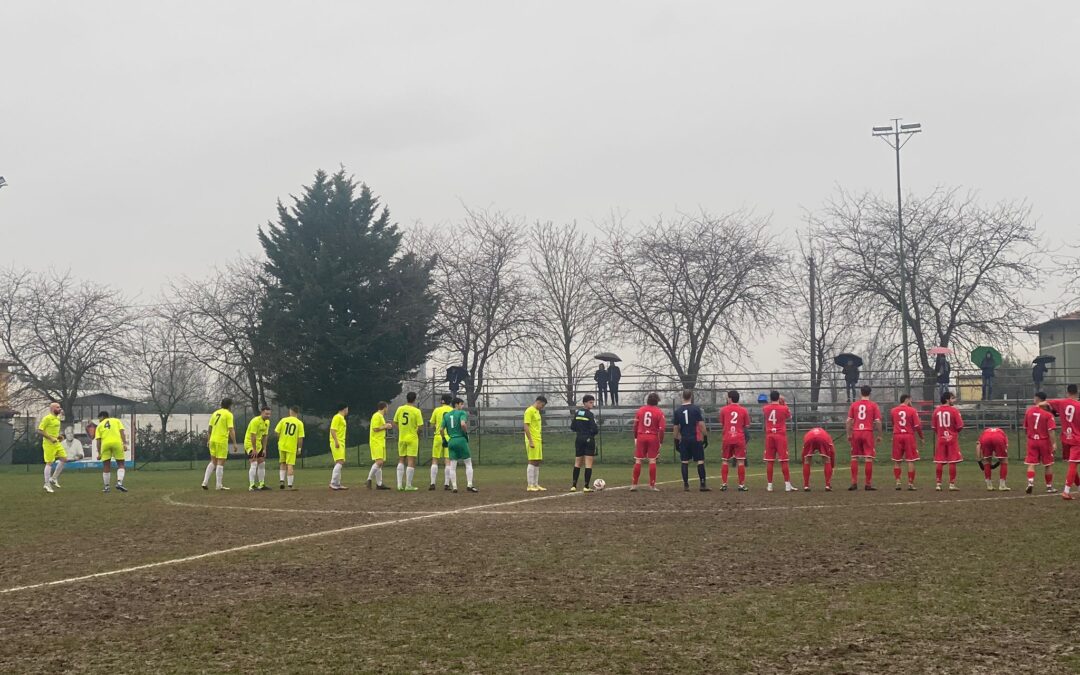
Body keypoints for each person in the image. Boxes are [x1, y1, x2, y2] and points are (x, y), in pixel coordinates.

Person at [846, 385, 882, 491]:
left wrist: (849, 434)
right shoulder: (873, 405)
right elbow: (878, 422)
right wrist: (879, 435)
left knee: (854, 457)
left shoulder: (854, 404)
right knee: (868, 458)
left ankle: (853, 483)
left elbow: (848, 421)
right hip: (867, 432)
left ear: (860, 393)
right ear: (870, 393)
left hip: (856, 432)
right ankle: (868, 484)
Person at [673, 389, 709, 492]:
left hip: (684, 439)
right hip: (696, 438)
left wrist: (676, 440)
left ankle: (686, 485)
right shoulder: (696, 409)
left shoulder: (678, 411)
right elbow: (701, 425)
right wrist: (705, 437)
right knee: (700, 460)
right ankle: (702, 484)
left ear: (682, 397)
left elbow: (676, 427)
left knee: (684, 461)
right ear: (691, 397)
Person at [439, 398, 478, 493]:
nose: (462, 406)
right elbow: (463, 424)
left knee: (453, 465)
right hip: (461, 439)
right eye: (461, 404)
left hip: (451, 441)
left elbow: (440, 429)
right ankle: (469, 485)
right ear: (457, 404)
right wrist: (465, 433)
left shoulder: (446, 415)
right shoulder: (462, 413)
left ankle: (455, 487)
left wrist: (444, 438)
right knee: (468, 463)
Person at [1023, 393, 1058, 495]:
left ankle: (1030, 483)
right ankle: (1049, 487)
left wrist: (1029, 437)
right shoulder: (1048, 414)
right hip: (1044, 441)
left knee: (1031, 463)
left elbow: (1025, 428)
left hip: (1032, 440)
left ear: (1037, 399)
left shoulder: (1029, 411)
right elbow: (1051, 431)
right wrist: (1054, 443)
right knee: (1048, 464)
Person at [762, 391, 795, 493]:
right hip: (780, 435)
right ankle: (787, 485)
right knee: (784, 460)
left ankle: (770, 485)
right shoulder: (784, 408)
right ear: (778, 398)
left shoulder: (765, 408)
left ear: (770, 398)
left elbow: (767, 413)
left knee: (770, 461)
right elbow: (789, 416)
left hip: (769, 436)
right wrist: (784, 402)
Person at [630, 392, 664, 492]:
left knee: (638, 460)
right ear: (657, 401)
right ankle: (652, 485)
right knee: (652, 460)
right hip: (653, 437)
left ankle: (634, 485)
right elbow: (661, 429)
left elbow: (635, 426)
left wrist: (635, 437)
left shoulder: (640, 410)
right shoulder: (659, 412)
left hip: (641, 436)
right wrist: (660, 441)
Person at [202, 398, 238, 491]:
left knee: (213, 461)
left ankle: (205, 482)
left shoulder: (215, 413)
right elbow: (231, 429)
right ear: (230, 405)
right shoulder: (229, 414)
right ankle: (219, 485)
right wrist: (234, 443)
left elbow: (209, 428)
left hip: (213, 440)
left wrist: (208, 440)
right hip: (221, 440)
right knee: (220, 463)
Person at [931, 391, 964, 491]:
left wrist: (941, 433)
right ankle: (952, 484)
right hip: (952, 439)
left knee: (939, 461)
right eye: (952, 398)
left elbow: (933, 427)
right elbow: (960, 426)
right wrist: (953, 432)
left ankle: (938, 484)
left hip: (941, 439)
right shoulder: (954, 410)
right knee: (952, 461)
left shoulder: (936, 411)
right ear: (947, 399)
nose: (954, 400)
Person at [890, 394, 923, 491]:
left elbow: (893, 423)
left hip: (897, 435)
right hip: (908, 435)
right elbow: (917, 426)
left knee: (897, 460)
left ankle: (898, 482)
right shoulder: (912, 410)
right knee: (910, 460)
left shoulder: (893, 410)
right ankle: (910, 483)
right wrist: (921, 437)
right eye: (910, 400)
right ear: (907, 399)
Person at [719, 390, 750, 492]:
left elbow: (722, 424)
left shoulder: (723, 410)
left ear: (730, 398)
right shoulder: (744, 410)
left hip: (727, 437)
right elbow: (747, 425)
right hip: (739, 438)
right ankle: (741, 485)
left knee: (725, 460)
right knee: (740, 461)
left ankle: (724, 484)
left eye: (728, 397)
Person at [392, 392, 423, 492]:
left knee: (401, 459)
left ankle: (399, 485)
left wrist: (400, 430)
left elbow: (395, 422)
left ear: (406, 399)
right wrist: (417, 432)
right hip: (412, 438)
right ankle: (408, 485)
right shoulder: (416, 411)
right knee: (411, 460)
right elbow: (420, 426)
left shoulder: (400, 409)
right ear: (414, 399)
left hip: (402, 437)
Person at [570, 395, 600, 492]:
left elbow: (572, 427)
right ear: (585, 403)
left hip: (578, 439)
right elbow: (595, 429)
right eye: (591, 402)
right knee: (588, 463)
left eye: (593, 402)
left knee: (577, 462)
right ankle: (586, 486)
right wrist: (590, 433)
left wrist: (580, 431)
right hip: (588, 439)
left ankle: (573, 486)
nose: (592, 404)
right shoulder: (589, 414)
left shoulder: (578, 413)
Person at [94, 410, 128, 493]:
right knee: (121, 463)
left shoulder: (99, 426)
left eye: (99, 418)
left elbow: (98, 440)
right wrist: (124, 443)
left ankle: (107, 487)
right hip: (116, 443)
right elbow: (122, 432)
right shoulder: (116, 421)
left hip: (105, 444)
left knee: (106, 465)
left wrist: (99, 453)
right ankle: (119, 483)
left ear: (102, 417)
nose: (99, 420)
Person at [1047, 384, 1080, 468]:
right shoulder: (1078, 405)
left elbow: (1045, 403)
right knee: (1073, 463)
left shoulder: (1061, 402)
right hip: (1077, 437)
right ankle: (1068, 482)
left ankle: (1076, 481)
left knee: (1071, 462)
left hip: (1066, 437)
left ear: (1067, 392)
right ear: (1077, 392)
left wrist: (1052, 411)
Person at [37, 401, 66, 493]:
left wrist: (59, 436)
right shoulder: (47, 418)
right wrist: (50, 438)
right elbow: (40, 430)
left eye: (60, 407)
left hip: (56, 442)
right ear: (53, 409)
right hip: (48, 443)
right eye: (58, 407)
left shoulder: (57, 418)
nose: (60, 409)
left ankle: (53, 478)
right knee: (49, 463)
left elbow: (53, 431)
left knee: (64, 459)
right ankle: (46, 484)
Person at [273, 406, 304, 490]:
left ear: (290, 411)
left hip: (282, 445)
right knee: (290, 465)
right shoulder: (299, 423)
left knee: (282, 463)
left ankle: (282, 481)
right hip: (291, 446)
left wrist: (280, 439)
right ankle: (290, 485)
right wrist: (299, 448)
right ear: (297, 412)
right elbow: (300, 438)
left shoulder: (283, 420)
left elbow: (276, 431)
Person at [428, 394, 454, 491]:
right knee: (448, 460)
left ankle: (432, 483)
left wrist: (436, 426)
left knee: (435, 460)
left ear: (442, 401)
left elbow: (431, 424)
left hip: (438, 436)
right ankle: (446, 484)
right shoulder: (452, 411)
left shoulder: (437, 410)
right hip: (449, 437)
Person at [365, 402, 392, 490]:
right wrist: (386, 426)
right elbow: (375, 428)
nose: (387, 409)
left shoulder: (380, 416)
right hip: (376, 442)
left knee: (380, 463)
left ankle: (379, 484)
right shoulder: (376, 415)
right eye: (387, 408)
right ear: (384, 408)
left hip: (380, 441)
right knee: (379, 462)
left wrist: (385, 426)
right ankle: (368, 479)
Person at [245, 405, 272, 491]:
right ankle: (251, 485)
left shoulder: (267, 422)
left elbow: (265, 436)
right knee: (254, 463)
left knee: (262, 464)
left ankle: (261, 484)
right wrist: (254, 449)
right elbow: (253, 436)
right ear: (262, 412)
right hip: (250, 443)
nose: (268, 416)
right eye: (266, 414)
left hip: (259, 445)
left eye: (269, 414)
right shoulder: (255, 421)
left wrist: (264, 449)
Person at [523, 396, 547, 491]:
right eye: (542, 405)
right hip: (532, 439)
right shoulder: (529, 411)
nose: (542, 407)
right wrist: (530, 440)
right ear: (538, 402)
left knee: (537, 462)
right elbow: (526, 426)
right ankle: (530, 485)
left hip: (538, 439)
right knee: (532, 461)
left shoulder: (537, 412)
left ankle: (536, 484)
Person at [801, 427, 836, 491]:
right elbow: (833, 453)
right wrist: (832, 467)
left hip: (809, 438)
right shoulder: (827, 436)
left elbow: (803, 454)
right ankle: (828, 485)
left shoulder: (808, 434)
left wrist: (803, 464)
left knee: (807, 461)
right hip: (823, 439)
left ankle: (806, 486)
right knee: (827, 460)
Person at [976, 427, 1009, 491]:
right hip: (998, 438)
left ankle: (989, 485)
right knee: (1004, 461)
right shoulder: (1002, 433)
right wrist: (1000, 460)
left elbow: (978, 445)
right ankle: (1002, 485)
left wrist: (979, 461)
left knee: (987, 461)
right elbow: (1006, 448)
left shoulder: (984, 433)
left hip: (985, 439)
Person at [329, 403, 349, 491]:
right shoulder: (337, 417)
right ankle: (333, 483)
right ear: (344, 409)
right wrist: (336, 441)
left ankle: (337, 483)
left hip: (341, 442)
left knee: (340, 462)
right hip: (337, 442)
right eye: (347, 409)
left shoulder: (342, 418)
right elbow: (333, 430)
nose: (348, 410)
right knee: (340, 462)